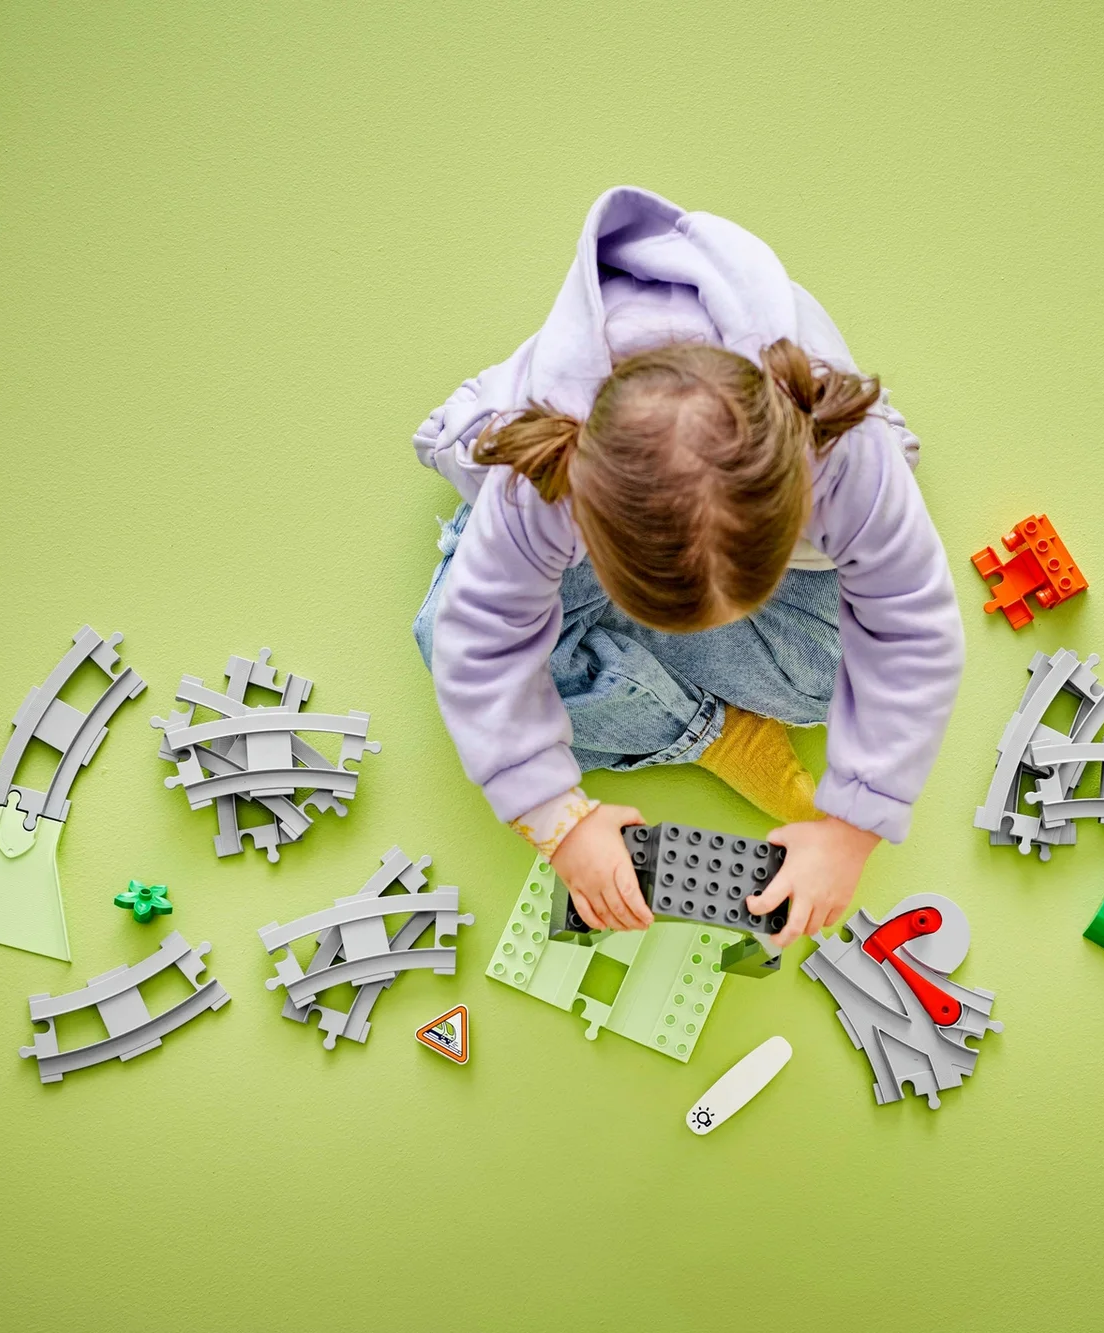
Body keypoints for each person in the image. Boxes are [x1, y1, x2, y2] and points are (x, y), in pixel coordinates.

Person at [411, 186, 963, 946]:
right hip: (574, 515)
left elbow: (913, 626)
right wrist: (558, 822)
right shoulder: (543, 476)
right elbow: (477, 644)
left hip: (770, 525)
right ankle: (708, 731)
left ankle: (629, 678)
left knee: (827, 686)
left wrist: (853, 827)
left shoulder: (846, 453)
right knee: (446, 643)